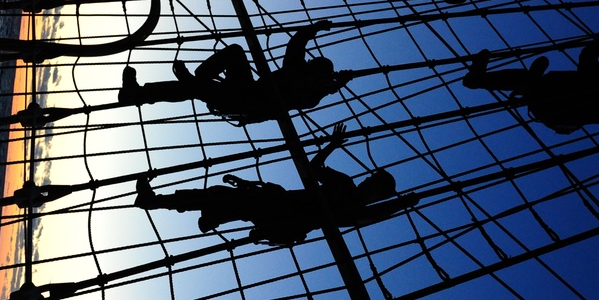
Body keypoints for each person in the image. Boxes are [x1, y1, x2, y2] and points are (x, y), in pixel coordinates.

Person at [134, 124, 417, 244]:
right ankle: (210, 216)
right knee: (220, 196)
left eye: (373, 180)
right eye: (371, 177)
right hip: (279, 203)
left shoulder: (356, 209)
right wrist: (331, 145)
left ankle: (159, 202)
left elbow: (375, 215)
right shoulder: (344, 184)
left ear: (378, 192)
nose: (367, 178)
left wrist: (403, 203)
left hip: (286, 218)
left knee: (221, 198)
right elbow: (312, 168)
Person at [118, 20, 352, 123]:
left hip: (250, 104)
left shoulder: (309, 89)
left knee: (199, 87)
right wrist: (315, 28)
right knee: (235, 53)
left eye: (313, 62)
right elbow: (297, 43)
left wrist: (336, 84)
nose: (309, 62)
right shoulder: (299, 72)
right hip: (247, 90)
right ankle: (195, 79)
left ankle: (139, 94)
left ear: (316, 70)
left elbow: (298, 48)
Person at [462, 40, 599, 134]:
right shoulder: (597, 80)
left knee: (531, 81)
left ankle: (486, 80)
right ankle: (481, 79)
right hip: (550, 100)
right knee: (530, 80)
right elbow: (588, 54)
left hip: (559, 112)